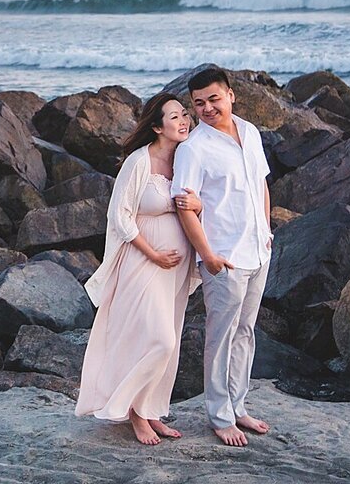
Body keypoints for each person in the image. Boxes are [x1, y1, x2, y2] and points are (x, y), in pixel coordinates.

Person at [76, 92, 202, 445]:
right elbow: (120, 217)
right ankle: (131, 412)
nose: (184, 120)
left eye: (184, 115)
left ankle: (151, 410)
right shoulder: (138, 162)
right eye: (175, 116)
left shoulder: (185, 160)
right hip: (143, 264)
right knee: (157, 339)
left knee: (170, 340)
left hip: (176, 270)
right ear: (157, 126)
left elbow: (197, 204)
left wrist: (199, 204)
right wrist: (153, 254)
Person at [172, 67, 274, 447]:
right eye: (198, 103)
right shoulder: (194, 148)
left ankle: (239, 406)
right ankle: (219, 415)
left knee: (246, 332)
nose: (207, 108)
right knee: (220, 337)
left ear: (231, 95)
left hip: (257, 251)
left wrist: (266, 232)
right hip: (224, 259)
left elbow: (260, 183)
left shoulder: (250, 132)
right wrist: (208, 257)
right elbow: (184, 206)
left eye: (213, 99)